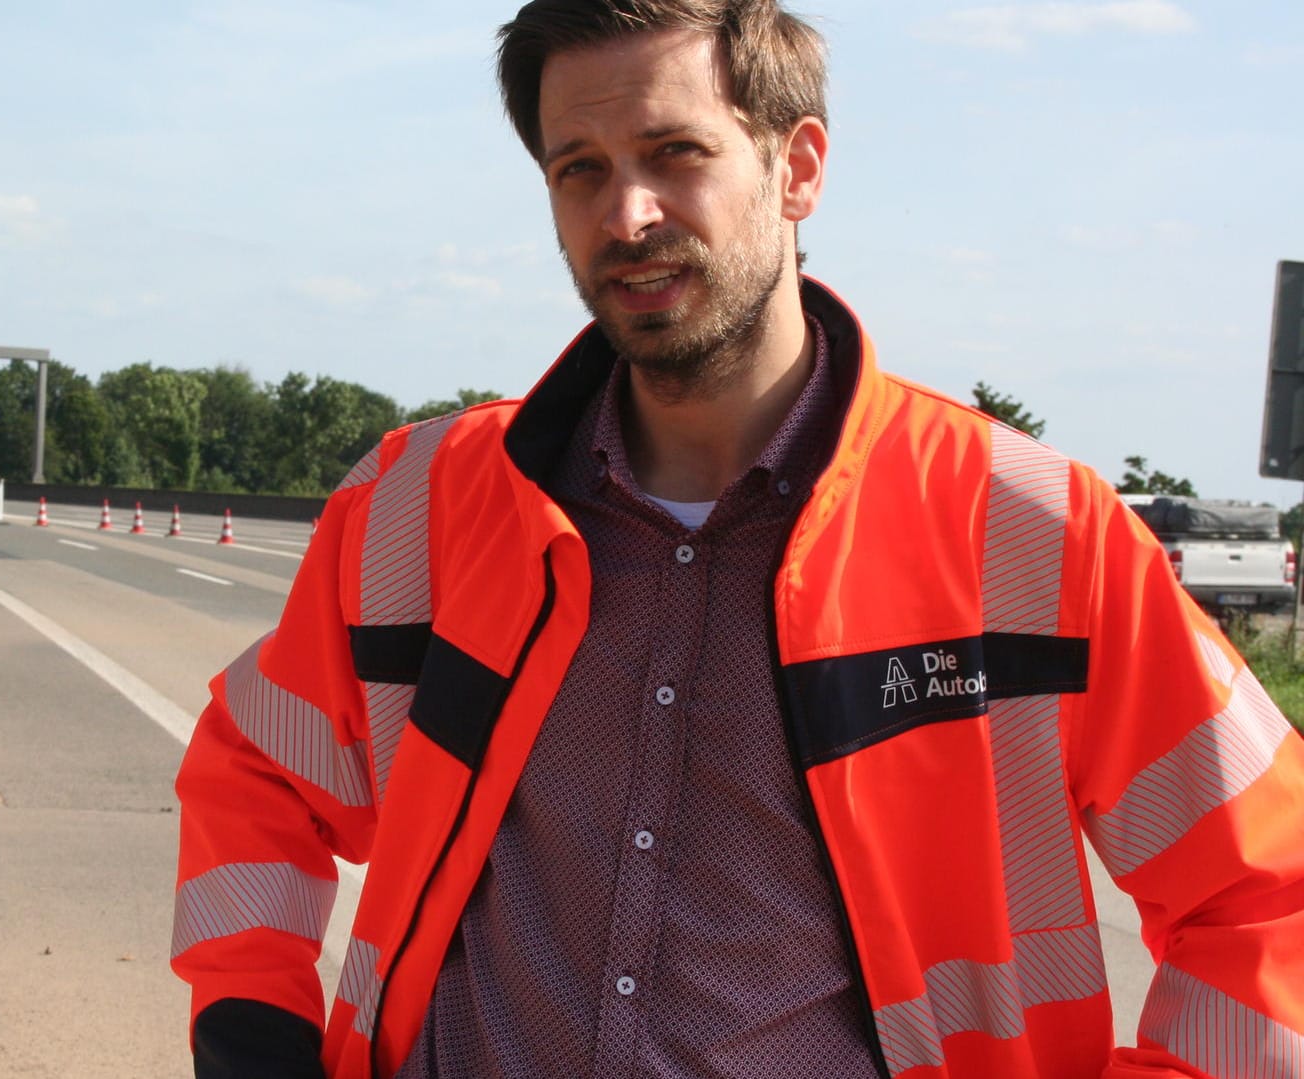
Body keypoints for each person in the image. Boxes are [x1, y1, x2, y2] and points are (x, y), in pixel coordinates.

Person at [170, 1, 1304, 1076]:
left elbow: (1272, 888)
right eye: (582, 169)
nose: (628, 215)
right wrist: (255, 1038)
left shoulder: (1028, 530)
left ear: (797, 166)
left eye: (677, 153)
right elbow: (258, 773)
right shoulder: (424, 504)